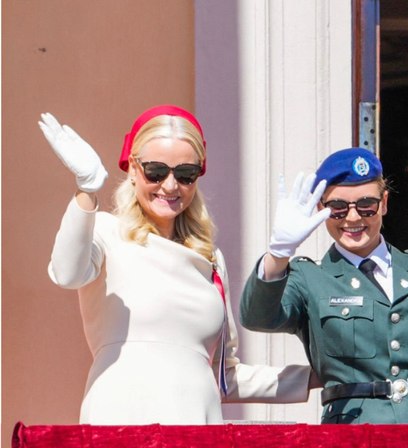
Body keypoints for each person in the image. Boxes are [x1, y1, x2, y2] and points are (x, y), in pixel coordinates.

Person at [40, 107, 311, 424]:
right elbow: (67, 273)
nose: (170, 186)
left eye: (185, 174)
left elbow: (223, 376)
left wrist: (323, 375)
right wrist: (86, 190)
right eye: (155, 171)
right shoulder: (105, 231)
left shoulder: (211, 258)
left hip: (196, 423)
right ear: (133, 169)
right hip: (120, 419)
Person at [240, 148, 408, 424]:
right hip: (354, 435)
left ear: (384, 203)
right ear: (320, 210)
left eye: (366, 205)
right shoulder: (308, 278)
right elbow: (258, 317)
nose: (352, 218)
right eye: (337, 208)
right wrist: (279, 253)